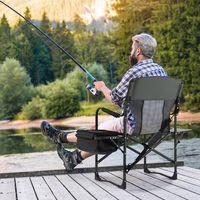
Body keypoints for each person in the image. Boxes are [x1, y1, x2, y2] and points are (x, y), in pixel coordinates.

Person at [41, 33, 168, 171]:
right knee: (110, 133)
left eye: (132, 49)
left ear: (138, 51)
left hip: (134, 125)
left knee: (100, 131)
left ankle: (60, 137)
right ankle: (74, 158)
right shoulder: (161, 71)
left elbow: (115, 98)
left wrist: (102, 87)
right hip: (158, 125)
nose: (130, 52)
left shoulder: (134, 72)